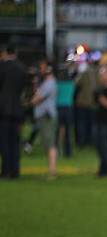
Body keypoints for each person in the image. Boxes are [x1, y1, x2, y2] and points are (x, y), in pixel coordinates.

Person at [0, 44, 27, 179]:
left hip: (3, 109)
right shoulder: (22, 68)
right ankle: (15, 171)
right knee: (15, 142)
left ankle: (5, 171)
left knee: (4, 142)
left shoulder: (2, 67)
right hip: (17, 109)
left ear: (5, 53)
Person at [32, 66, 58, 178]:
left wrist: (31, 101)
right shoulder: (48, 83)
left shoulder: (49, 83)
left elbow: (37, 99)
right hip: (46, 116)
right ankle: (51, 170)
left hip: (47, 116)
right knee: (48, 144)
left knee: (50, 144)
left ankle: (52, 171)